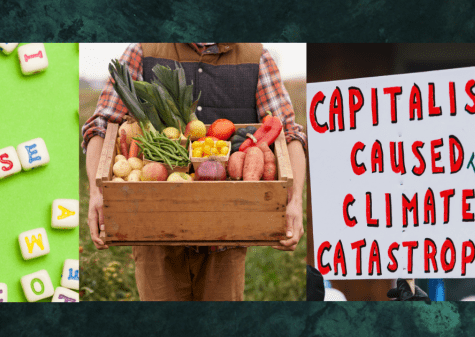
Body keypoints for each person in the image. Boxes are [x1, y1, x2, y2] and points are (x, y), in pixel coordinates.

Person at [82, 43, 307, 301]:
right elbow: (101, 126)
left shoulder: (256, 57)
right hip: (155, 233)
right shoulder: (143, 50)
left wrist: (294, 200)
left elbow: (289, 133)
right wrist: (97, 192)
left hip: (227, 235)